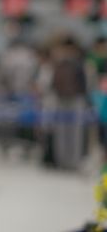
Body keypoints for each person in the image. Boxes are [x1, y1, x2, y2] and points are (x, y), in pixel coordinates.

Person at [51, 37, 88, 170]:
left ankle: (74, 162)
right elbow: (53, 83)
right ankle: (62, 161)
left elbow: (84, 84)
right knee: (61, 132)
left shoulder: (79, 64)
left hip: (76, 100)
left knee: (75, 133)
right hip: (61, 99)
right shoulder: (59, 64)